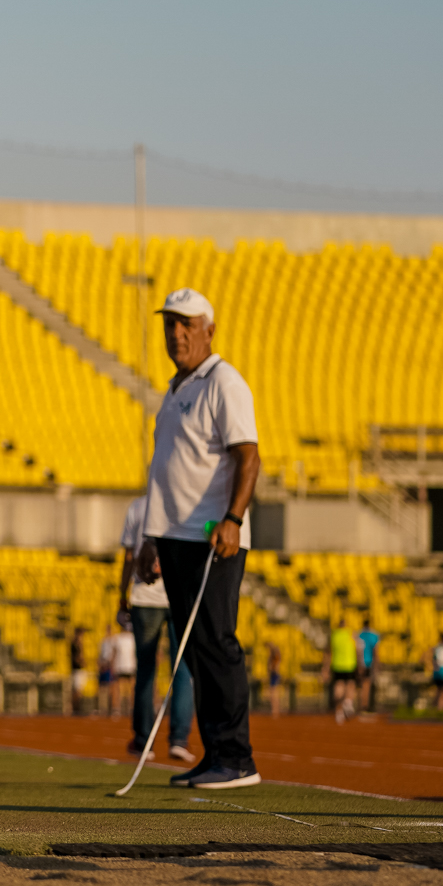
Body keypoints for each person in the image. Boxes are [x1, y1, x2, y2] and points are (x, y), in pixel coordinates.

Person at [131, 288, 262, 789]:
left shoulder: (223, 383)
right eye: (170, 324)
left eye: (186, 324)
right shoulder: (175, 389)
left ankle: (237, 756)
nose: (177, 333)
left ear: (209, 329)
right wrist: (149, 538)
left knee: (215, 641)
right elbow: (164, 471)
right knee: (193, 648)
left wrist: (232, 518)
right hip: (172, 537)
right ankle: (215, 754)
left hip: (211, 538)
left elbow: (248, 456)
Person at [118, 492, 194, 762]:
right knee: (183, 668)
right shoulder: (183, 504)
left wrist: (122, 595)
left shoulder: (137, 507)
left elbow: (129, 557)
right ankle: (179, 738)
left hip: (145, 597)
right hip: (178, 596)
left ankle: (144, 740)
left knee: (147, 670)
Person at [102, 621, 136, 719]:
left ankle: (117, 708)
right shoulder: (131, 638)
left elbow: (113, 654)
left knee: (118, 687)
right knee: (130, 687)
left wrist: (112, 666)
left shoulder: (117, 638)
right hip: (129, 666)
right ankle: (128, 708)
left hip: (121, 665)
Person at [329, 622, 359, 722]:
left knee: (338, 686)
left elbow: (329, 651)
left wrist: (326, 667)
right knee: (351, 685)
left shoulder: (334, 635)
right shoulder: (351, 633)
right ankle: (348, 703)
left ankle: (339, 711)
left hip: (337, 665)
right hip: (349, 664)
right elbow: (357, 648)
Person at [357, 621, 380, 714]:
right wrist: (377, 665)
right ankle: (364, 706)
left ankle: (360, 705)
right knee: (366, 685)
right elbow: (375, 652)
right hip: (368, 663)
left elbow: (358, 651)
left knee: (361, 685)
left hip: (360, 663)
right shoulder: (373, 636)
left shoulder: (359, 635)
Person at [68, 626, 92, 715]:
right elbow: (76, 658)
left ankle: (76, 708)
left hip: (78, 669)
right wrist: (83, 662)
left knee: (78, 690)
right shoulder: (75, 644)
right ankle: (76, 709)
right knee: (76, 691)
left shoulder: (78, 644)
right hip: (77, 669)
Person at [265, 643, 285, 717]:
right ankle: (275, 710)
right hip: (273, 675)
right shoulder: (273, 658)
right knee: (273, 694)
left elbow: (275, 667)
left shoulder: (275, 658)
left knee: (274, 693)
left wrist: (272, 669)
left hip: (274, 675)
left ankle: (276, 710)